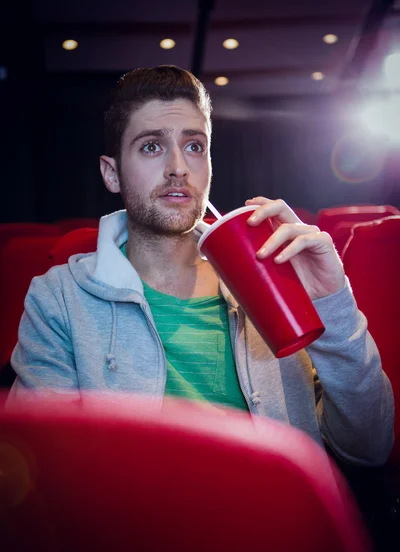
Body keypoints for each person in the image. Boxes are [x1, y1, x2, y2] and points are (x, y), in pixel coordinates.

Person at [7, 65, 394, 466]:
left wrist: (334, 302)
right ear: (111, 173)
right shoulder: (60, 298)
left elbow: (369, 447)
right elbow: (45, 467)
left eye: (194, 146)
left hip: (280, 523)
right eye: (151, 147)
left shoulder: (271, 277)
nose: (179, 167)